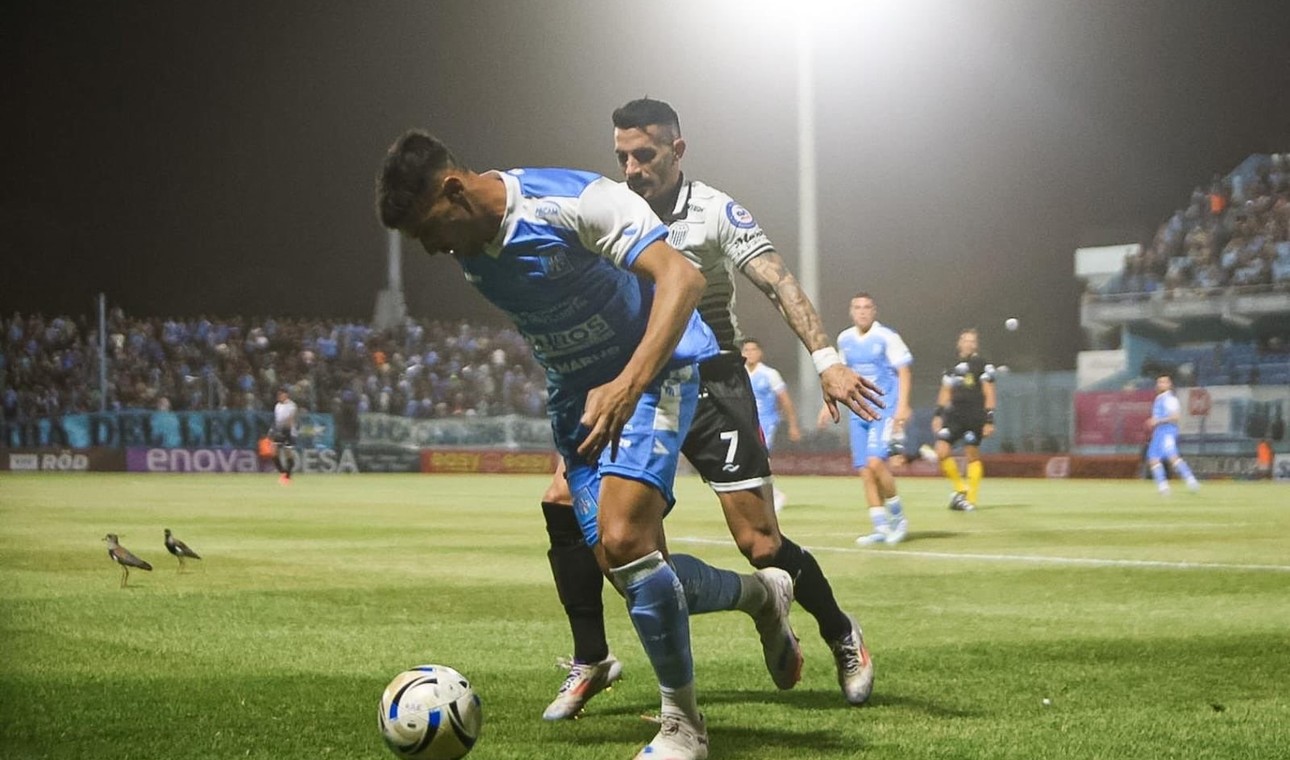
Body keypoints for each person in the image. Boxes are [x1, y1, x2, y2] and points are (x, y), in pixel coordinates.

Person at [376, 128, 807, 759]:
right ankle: (762, 596)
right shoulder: (471, 250)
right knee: (632, 570)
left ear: (454, 190)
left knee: (625, 541)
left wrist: (628, 384)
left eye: (428, 228)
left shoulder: (572, 201)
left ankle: (684, 727)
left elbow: (682, 280)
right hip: (579, 404)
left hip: (653, 374)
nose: (432, 247)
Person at [536, 97, 882, 723]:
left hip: (712, 382)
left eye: (645, 155)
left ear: (678, 150)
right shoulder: (608, 208)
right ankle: (593, 658)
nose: (632, 169)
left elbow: (778, 281)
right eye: (622, 158)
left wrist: (827, 358)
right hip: (638, 383)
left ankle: (839, 631)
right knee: (576, 510)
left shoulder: (715, 211)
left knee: (760, 542)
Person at [825, 293, 913, 545]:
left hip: (883, 409)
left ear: (874, 311)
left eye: (866, 307)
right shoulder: (845, 338)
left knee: (876, 463)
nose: (862, 311)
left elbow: (904, 371)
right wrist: (827, 403)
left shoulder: (887, 337)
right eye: (857, 307)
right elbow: (841, 374)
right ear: (851, 311)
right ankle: (881, 528)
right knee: (864, 470)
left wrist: (903, 406)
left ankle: (899, 519)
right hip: (858, 411)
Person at [929, 329, 996, 511]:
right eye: (966, 340)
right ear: (959, 343)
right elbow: (945, 391)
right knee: (941, 451)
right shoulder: (951, 366)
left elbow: (989, 391)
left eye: (972, 341)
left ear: (976, 345)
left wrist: (989, 419)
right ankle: (961, 488)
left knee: (972, 454)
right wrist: (938, 414)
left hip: (974, 416)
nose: (969, 344)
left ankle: (971, 500)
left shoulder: (982, 365)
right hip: (954, 416)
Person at [740, 337, 800, 512]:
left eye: (753, 350)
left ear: (760, 353)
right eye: (746, 350)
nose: (750, 353)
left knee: (760, 459)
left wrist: (793, 425)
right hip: (746, 424)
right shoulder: (739, 373)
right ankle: (768, 495)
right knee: (747, 462)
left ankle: (773, 496)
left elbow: (785, 400)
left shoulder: (770, 374)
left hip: (767, 422)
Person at [1145, 374, 1200, 495]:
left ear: (1169, 385)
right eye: (1159, 382)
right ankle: (1163, 487)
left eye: (1164, 382)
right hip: (1159, 432)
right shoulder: (1159, 398)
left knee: (1172, 456)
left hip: (1168, 431)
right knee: (1153, 458)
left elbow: (1175, 417)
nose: (1161, 384)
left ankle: (1191, 480)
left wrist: (1157, 421)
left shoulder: (1170, 399)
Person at [271, 387, 298, 484]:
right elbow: (277, 420)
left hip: (289, 432)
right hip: (279, 431)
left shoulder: (291, 405)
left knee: (288, 453)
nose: (278, 396)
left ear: (285, 395)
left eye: (280, 394)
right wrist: (273, 429)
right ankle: (283, 472)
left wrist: (284, 431)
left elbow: (290, 419)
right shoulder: (277, 406)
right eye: (278, 395)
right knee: (273, 452)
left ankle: (287, 476)